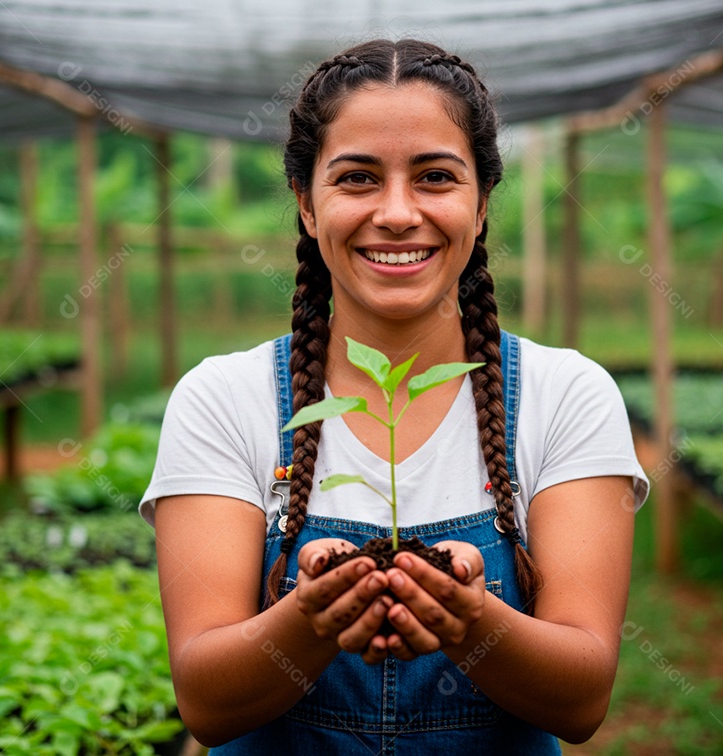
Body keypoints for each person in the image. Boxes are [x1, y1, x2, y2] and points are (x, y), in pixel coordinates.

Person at [140, 38, 648, 755]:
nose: (399, 213)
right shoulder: (223, 400)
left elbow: (582, 697)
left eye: (436, 177)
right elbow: (206, 700)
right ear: (306, 205)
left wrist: (471, 623)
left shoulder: (567, 396)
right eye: (357, 179)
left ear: (482, 203)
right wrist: (309, 621)